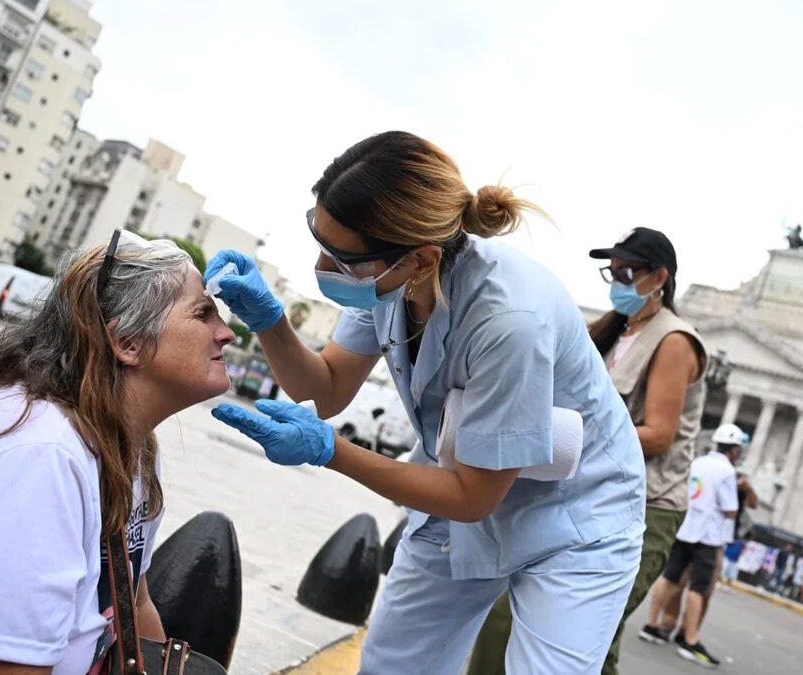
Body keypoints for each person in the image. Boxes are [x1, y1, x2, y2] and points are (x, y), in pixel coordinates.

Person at [205, 131, 647, 674]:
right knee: (393, 664)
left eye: (342, 259)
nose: (324, 265)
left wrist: (330, 452)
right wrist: (269, 321)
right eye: (321, 241)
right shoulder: (389, 281)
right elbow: (326, 388)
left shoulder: (509, 320)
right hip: (463, 484)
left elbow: (471, 496)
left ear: (421, 259)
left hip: (575, 516)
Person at [0, 232, 237, 673]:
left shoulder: (131, 449)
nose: (225, 334)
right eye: (203, 313)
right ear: (128, 342)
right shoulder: (35, 459)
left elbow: (133, 600)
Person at [466, 227, 707, 675]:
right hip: (581, 494)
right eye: (611, 272)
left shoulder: (674, 340)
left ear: (659, 278)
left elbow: (657, 435)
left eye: (627, 272)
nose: (617, 282)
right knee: (505, 617)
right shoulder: (611, 333)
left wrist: (562, 431)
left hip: (645, 506)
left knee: (592, 640)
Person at [643, 423, 746, 668]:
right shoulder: (726, 472)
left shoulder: (698, 463)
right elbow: (731, 509)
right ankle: (690, 640)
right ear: (735, 451)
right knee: (699, 588)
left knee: (669, 577)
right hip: (707, 536)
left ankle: (651, 625)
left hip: (685, 528)